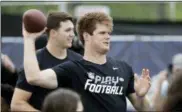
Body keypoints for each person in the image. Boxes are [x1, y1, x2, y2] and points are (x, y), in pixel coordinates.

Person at [23, 12, 151, 112]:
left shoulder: (124, 68)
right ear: (86, 36)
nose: (108, 37)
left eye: (109, 33)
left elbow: (144, 108)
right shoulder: (73, 69)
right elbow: (34, 78)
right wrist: (29, 39)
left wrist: (141, 96)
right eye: (102, 33)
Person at [11, 11, 82, 111]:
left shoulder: (79, 61)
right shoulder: (33, 63)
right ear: (53, 33)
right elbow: (17, 104)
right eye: (68, 30)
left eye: (72, 30)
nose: (72, 34)